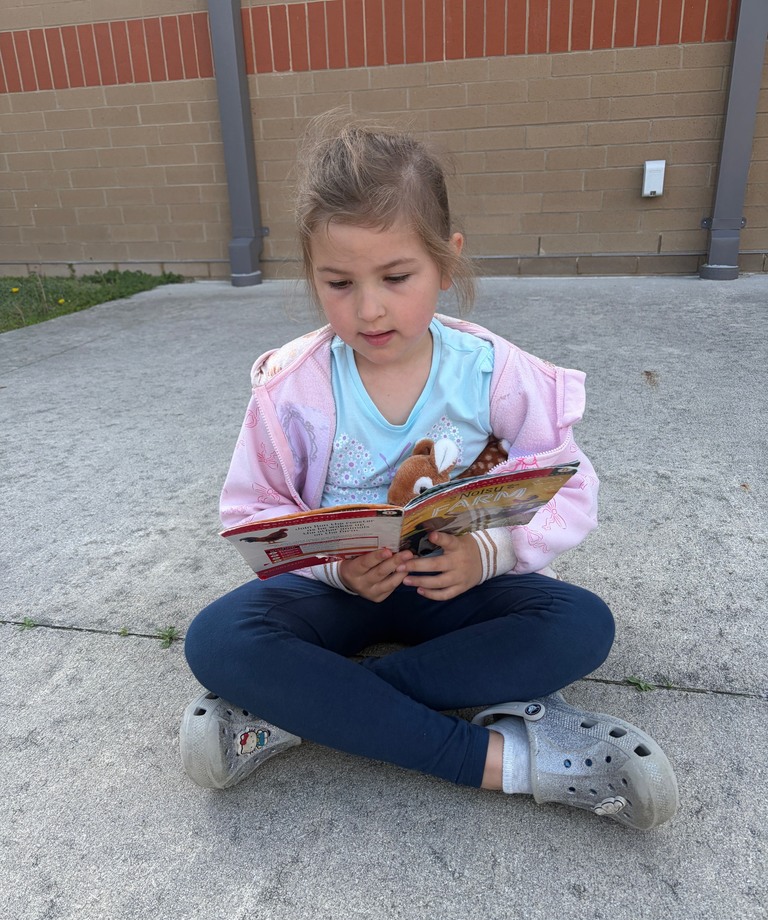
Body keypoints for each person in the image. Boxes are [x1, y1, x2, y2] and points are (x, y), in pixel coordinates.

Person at [181, 116, 678, 830]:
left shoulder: (492, 369)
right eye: (338, 282)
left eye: (396, 276)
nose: (369, 307)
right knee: (218, 640)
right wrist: (335, 572)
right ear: (312, 274)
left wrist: (490, 552)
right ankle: (509, 761)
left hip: (456, 582)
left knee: (578, 626)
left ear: (446, 263)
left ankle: (294, 714)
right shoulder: (291, 389)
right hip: (341, 589)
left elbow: (565, 476)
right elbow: (255, 513)